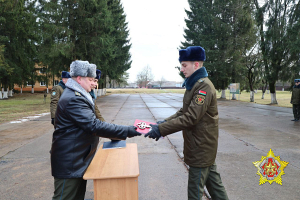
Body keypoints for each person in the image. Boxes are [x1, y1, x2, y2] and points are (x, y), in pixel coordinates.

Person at [145, 46, 228, 200]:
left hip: (201, 147)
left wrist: (162, 129)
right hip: (201, 146)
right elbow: (184, 111)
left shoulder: (203, 86)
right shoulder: (194, 84)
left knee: (194, 193)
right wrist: (163, 123)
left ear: (196, 64)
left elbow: (191, 117)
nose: (182, 69)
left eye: (184, 65)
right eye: (181, 65)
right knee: (216, 188)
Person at [51, 60, 141, 200]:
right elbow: (94, 126)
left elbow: (95, 124)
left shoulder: (80, 95)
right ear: (79, 79)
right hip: (70, 162)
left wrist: (115, 135)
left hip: (77, 159)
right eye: (90, 79)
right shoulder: (74, 98)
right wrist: (129, 130)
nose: (94, 83)